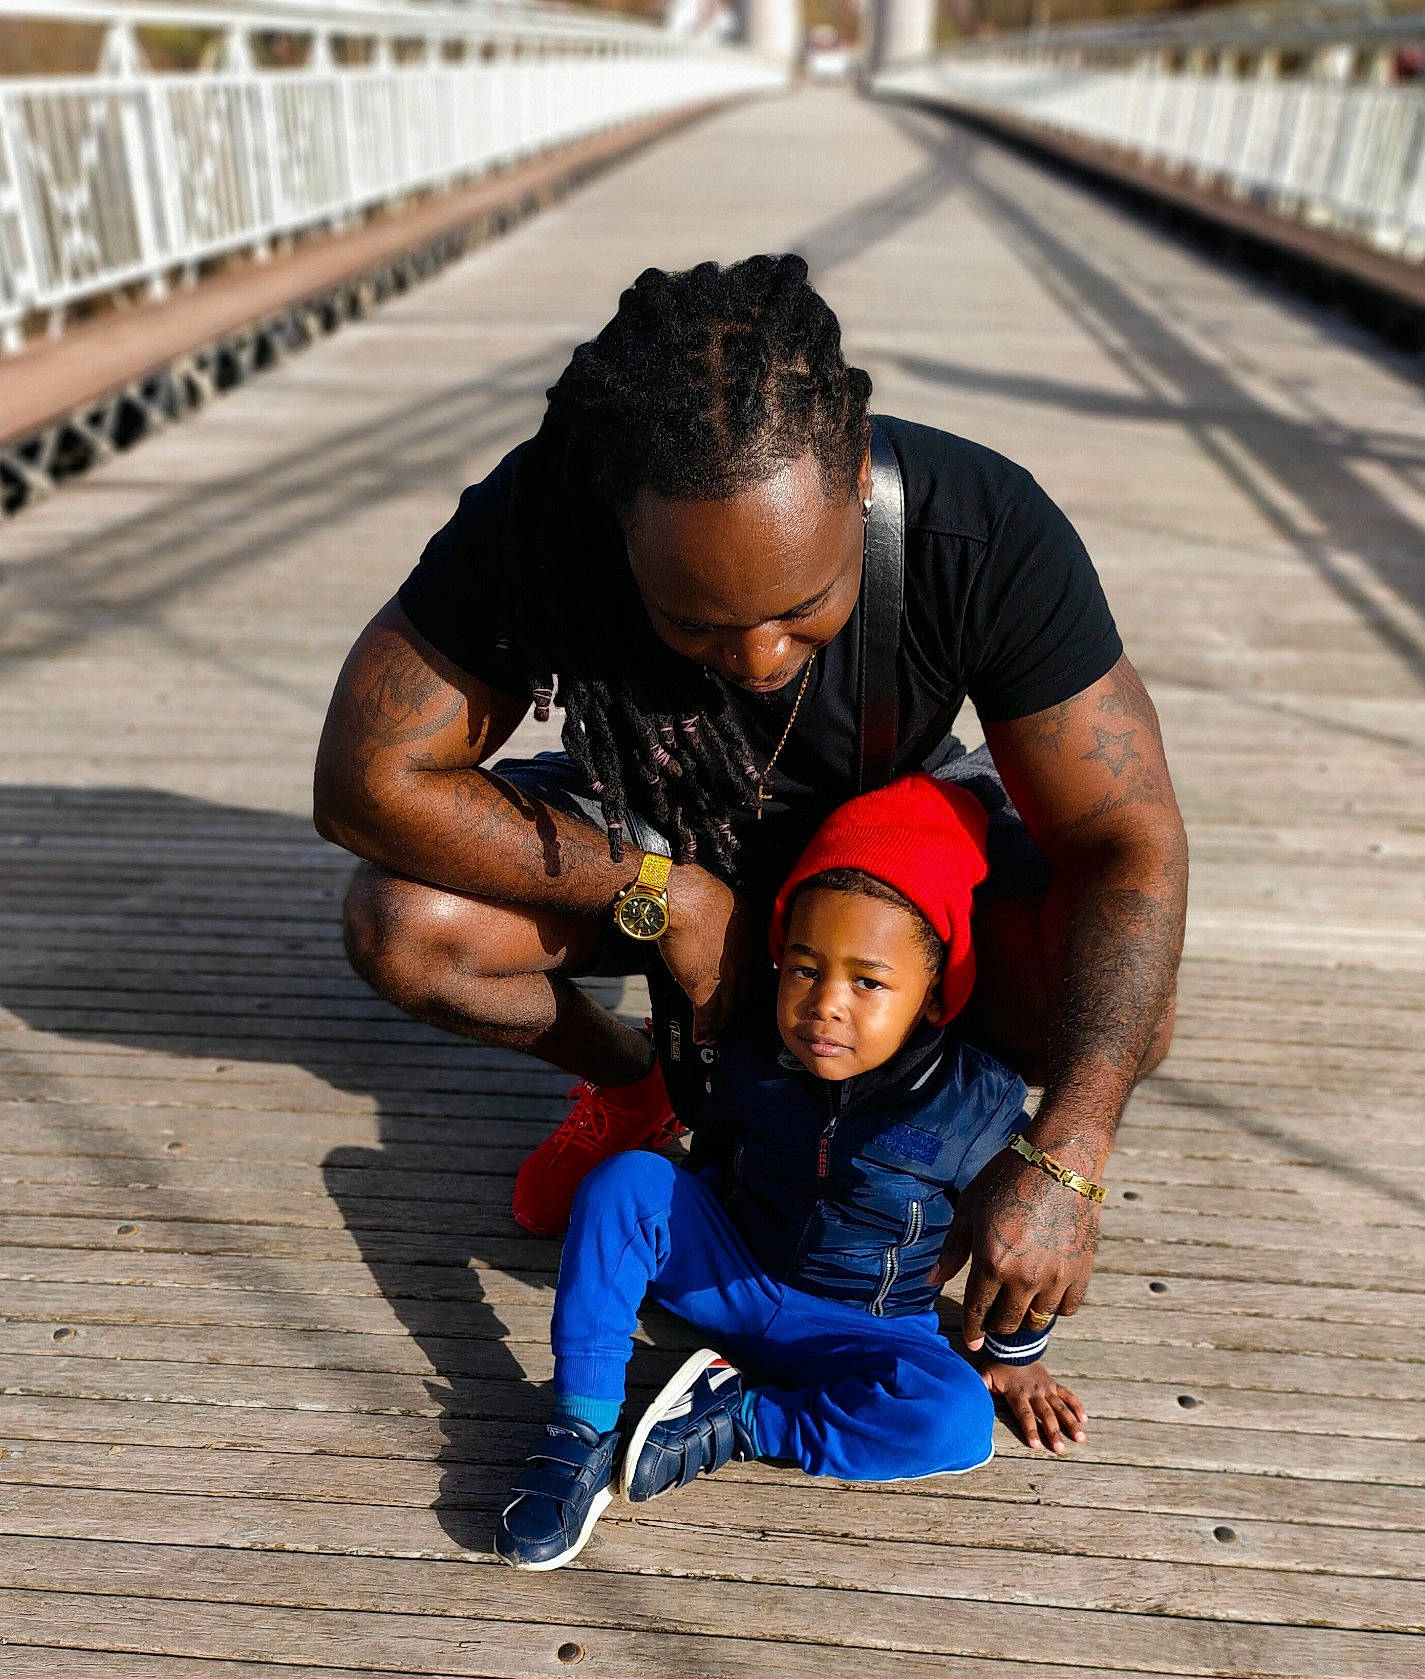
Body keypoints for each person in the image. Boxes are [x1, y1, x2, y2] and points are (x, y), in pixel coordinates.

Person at [313, 254, 1187, 1361]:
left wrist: (1069, 1154)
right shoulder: (545, 518)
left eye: (804, 604)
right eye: (696, 623)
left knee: (1120, 1005)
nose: (761, 657)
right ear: (621, 526)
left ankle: (905, 1105)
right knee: (406, 926)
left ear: (856, 474)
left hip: (879, 854)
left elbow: (1128, 840)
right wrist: (661, 892)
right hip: (652, 822)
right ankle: (636, 1086)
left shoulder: (979, 526)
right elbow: (364, 779)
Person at [495, 775, 1090, 1570]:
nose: (825, 1005)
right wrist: (660, 1227)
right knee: (626, 1183)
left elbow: (1020, 1244)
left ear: (935, 993)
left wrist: (1015, 1360)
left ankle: (735, 1420)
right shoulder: (750, 1052)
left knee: (954, 1422)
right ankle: (581, 1428)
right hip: (731, 1280)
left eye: (868, 982)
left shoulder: (974, 1104)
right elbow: (713, 1154)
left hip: (864, 1330)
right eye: (805, 969)